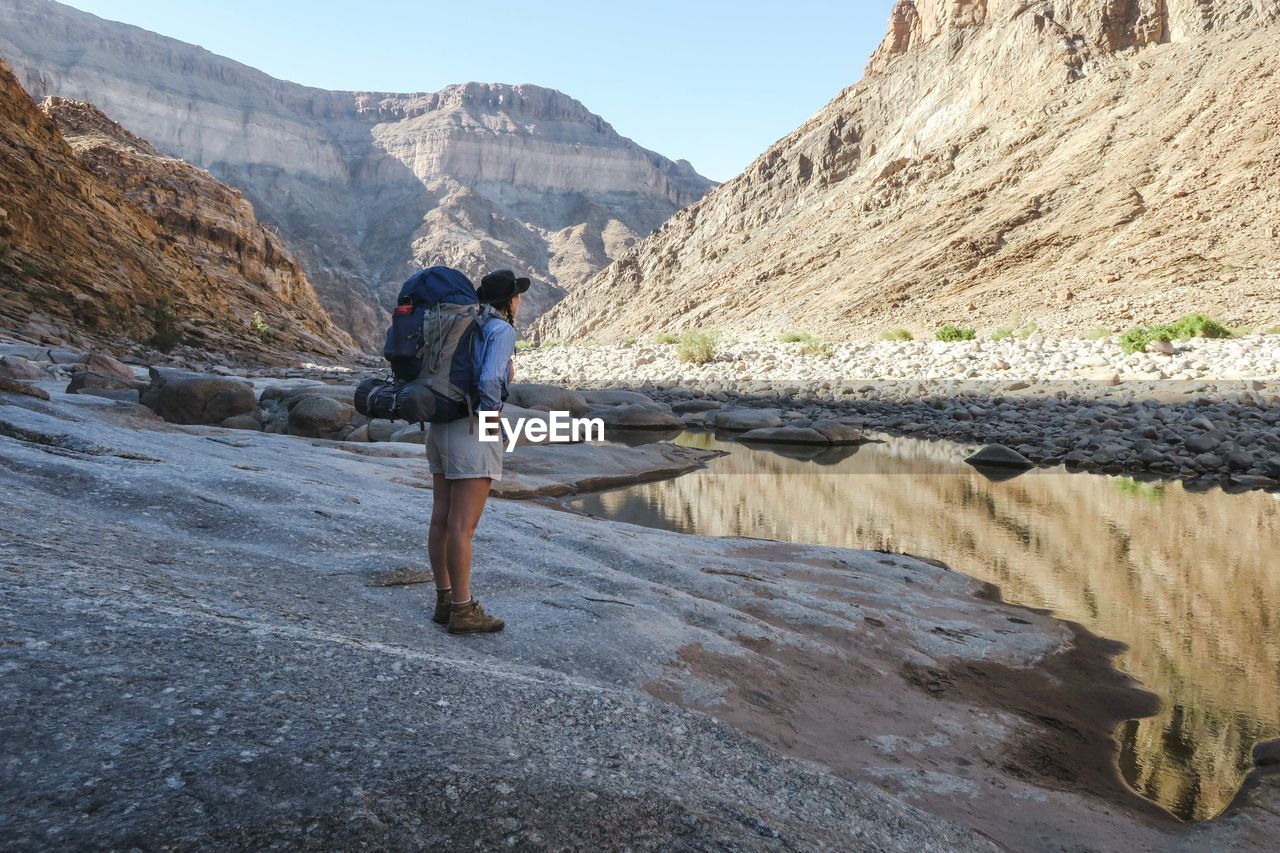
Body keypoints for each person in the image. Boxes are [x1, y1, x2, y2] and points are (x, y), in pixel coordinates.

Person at [426, 269, 529, 634]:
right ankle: (463, 609)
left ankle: (444, 599)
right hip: (471, 428)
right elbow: (488, 381)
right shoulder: (500, 330)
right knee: (462, 527)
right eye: (517, 295)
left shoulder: (459, 323)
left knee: (441, 518)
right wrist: (490, 426)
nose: (520, 301)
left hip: (439, 426)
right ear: (508, 301)